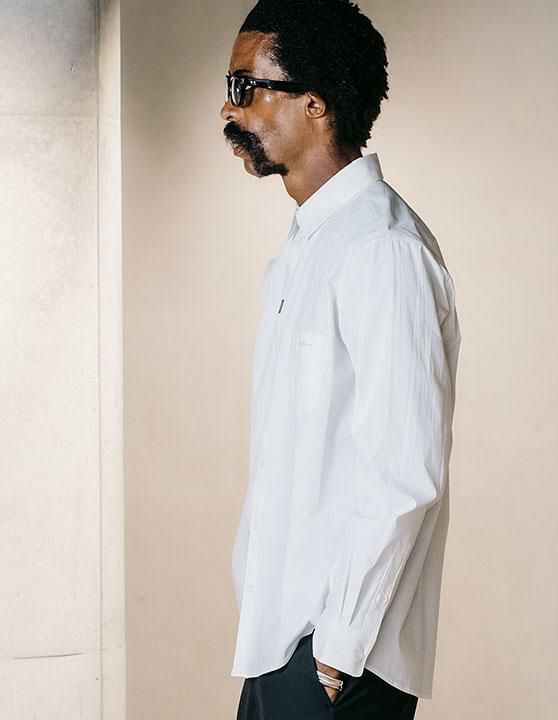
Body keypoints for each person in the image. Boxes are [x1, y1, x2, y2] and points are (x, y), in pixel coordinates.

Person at [220, 1, 461, 717]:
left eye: (244, 87)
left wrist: (335, 651)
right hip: (280, 641)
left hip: (334, 660)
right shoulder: (309, 245)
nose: (228, 110)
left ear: (315, 103)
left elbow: (404, 471)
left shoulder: (381, 248)